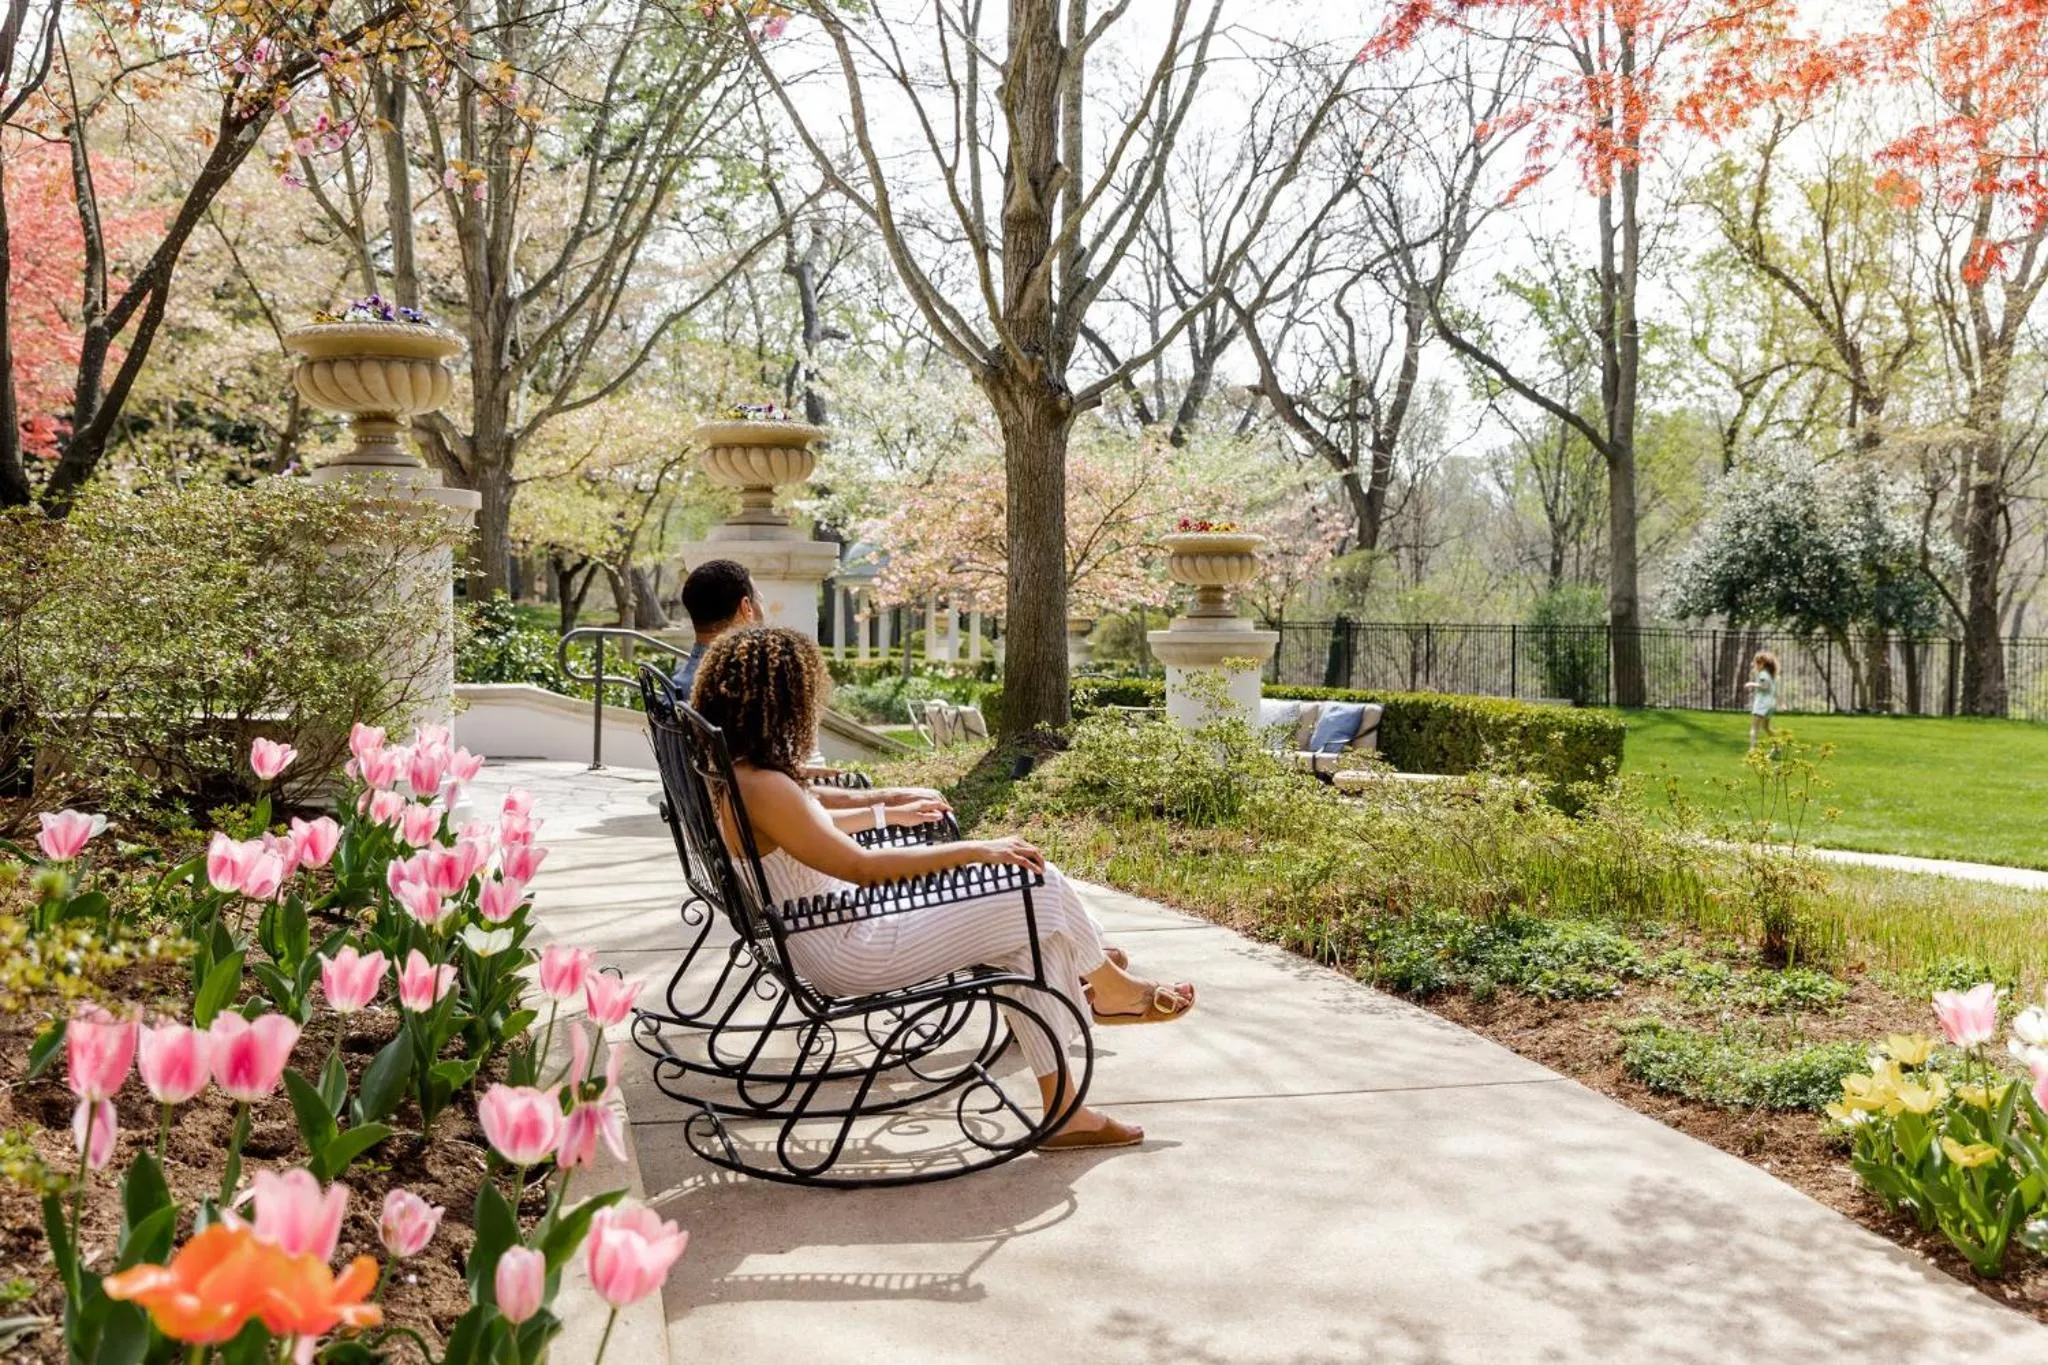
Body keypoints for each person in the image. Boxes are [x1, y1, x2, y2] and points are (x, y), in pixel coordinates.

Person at [692, 626, 1194, 1151]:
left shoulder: (745, 774)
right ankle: (1109, 985)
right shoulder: (763, 787)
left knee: (1028, 930)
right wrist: (976, 849)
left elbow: (812, 813)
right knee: (1036, 882)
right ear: (782, 699)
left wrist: (887, 805)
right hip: (850, 948)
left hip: (837, 926)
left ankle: (1065, 1109)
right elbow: (860, 867)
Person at [674, 559, 938, 814]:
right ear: (746, 608)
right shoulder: (737, 691)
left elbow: (750, 776)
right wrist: (881, 803)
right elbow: (764, 794)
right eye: (760, 600)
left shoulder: (680, 685)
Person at [1745, 649, 1780, 748]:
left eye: (1756, 662)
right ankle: (1777, 748)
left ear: (1762, 664)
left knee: (1754, 728)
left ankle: (1752, 751)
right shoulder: (1771, 675)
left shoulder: (1763, 674)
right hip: (1770, 704)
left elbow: (1765, 686)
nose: (1754, 664)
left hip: (1762, 704)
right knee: (1766, 727)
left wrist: (1751, 684)